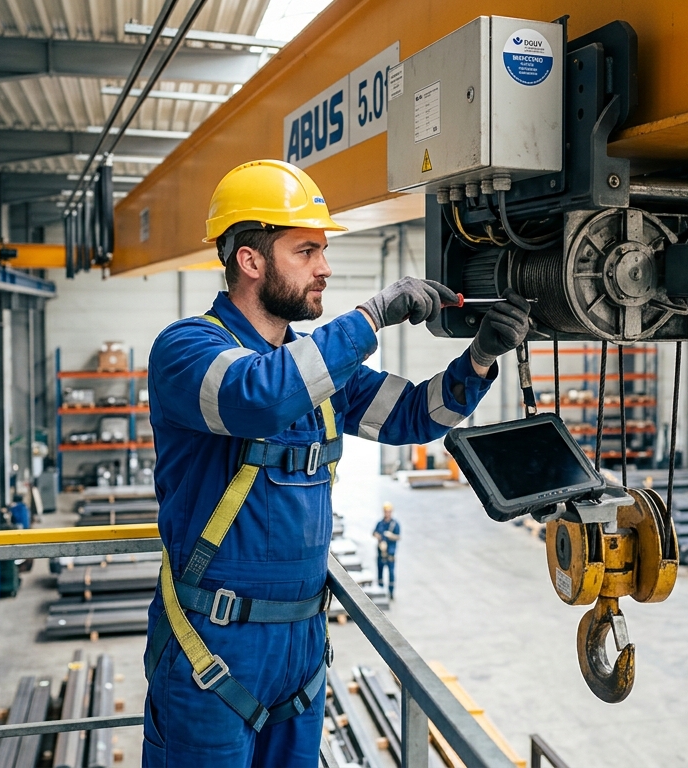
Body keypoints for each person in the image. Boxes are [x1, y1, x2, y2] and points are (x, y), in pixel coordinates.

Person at [141, 159, 531, 768]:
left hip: (300, 649)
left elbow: (412, 416)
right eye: (306, 251)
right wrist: (372, 316)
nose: (325, 267)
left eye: (322, 250)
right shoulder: (186, 351)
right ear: (250, 259)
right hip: (211, 646)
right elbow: (259, 397)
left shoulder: (315, 368)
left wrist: (478, 359)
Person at [373, 502, 400, 598]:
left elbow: (398, 537)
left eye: (388, 512)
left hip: (390, 554)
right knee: (380, 572)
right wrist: (379, 538)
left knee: (391, 573)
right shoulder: (380, 523)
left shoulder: (395, 524)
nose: (387, 513)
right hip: (381, 553)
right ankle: (380, 591)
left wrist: (391, 536)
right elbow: (374, 533)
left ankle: (391, 592)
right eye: (385, 511)